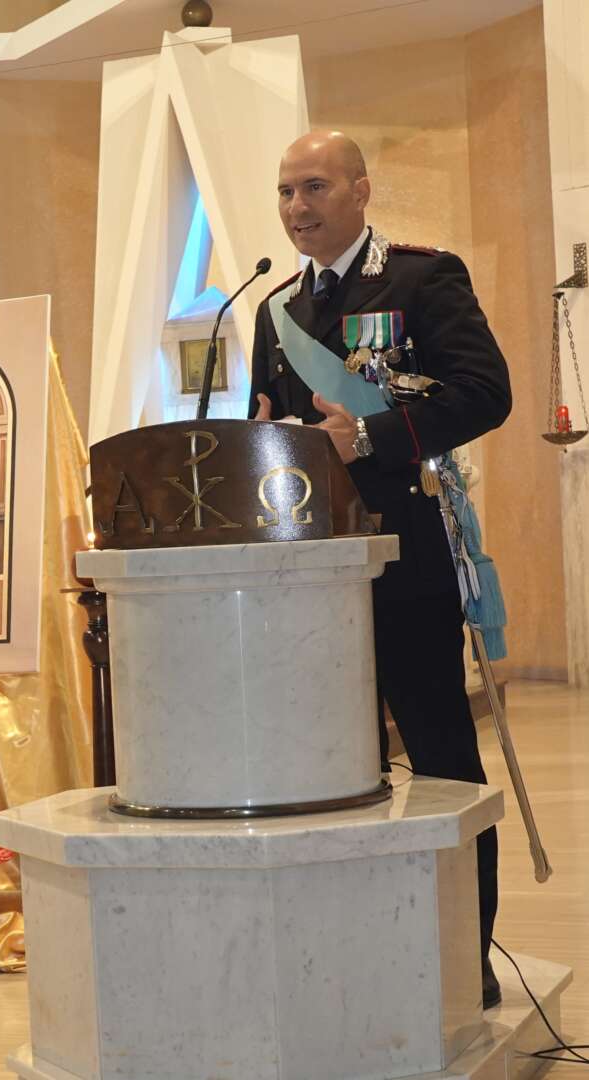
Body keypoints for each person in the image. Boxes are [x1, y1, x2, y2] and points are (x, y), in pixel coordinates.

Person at [248, 130, 511, 1009]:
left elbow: (483, 391)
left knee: (437, 758)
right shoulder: (271, 307)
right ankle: (353, 950)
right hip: (308, 573)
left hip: (406, 560)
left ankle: (459, 949)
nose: (296, 207)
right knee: (330, 765)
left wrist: (365, 435)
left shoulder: (419, 277)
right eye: (285, 192)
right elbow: (271, 429)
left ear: (360, 191)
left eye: (314, 187)